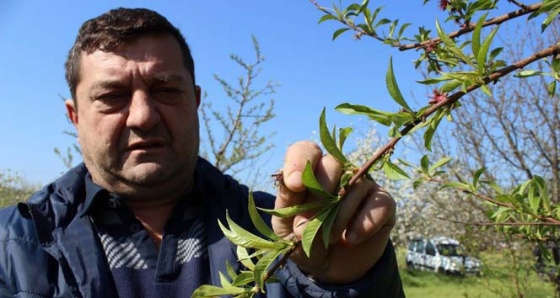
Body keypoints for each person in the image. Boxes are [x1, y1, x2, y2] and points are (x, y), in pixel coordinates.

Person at [0, 7, 404, 298]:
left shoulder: (281, 229)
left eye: (165, 90)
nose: (143, 116)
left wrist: (350, 283)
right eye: (112, 96)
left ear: (195, 101)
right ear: (75, 116)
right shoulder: (12, 245)